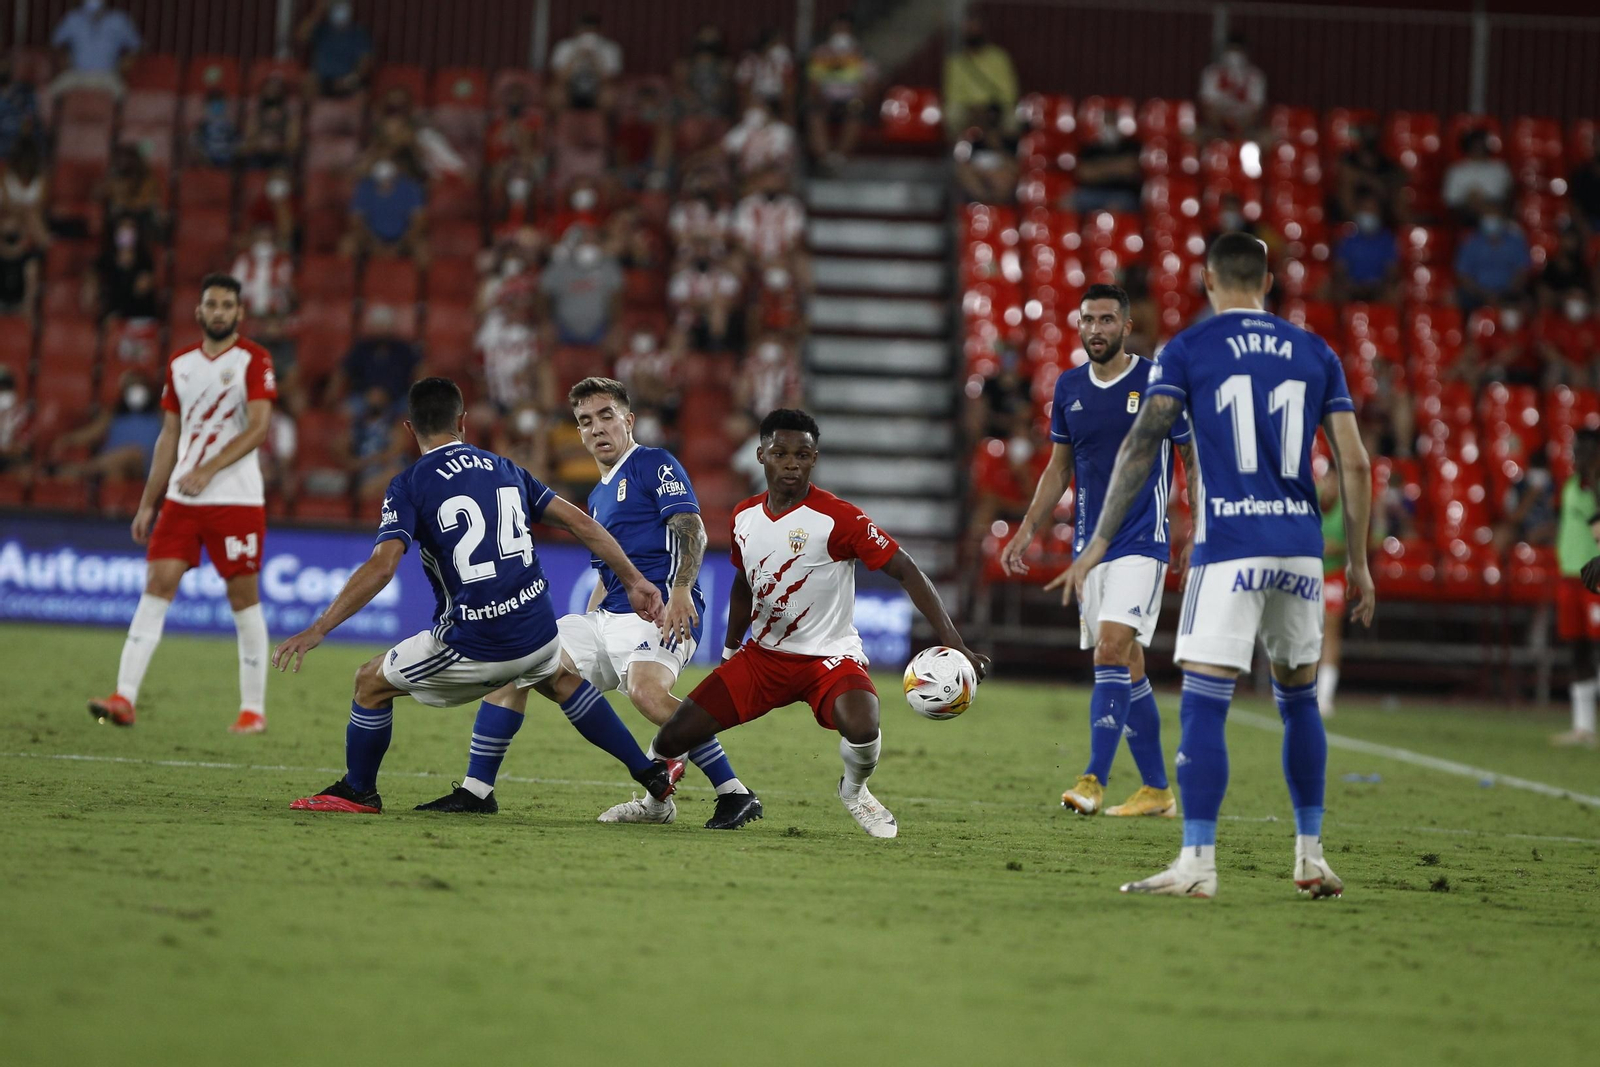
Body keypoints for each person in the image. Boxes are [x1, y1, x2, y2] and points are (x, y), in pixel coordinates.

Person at [1051, 233, 1376, 898]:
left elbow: (1143, 448)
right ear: (1266, 281)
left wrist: (1093, 544)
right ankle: (1310, 854)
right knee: (1298, 698)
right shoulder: (1315, 351)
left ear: (1207, 279)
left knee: (1204, 700)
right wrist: (1362, 562)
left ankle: (1197, 862)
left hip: (1230, 544)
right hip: (1302, 549)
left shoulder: (1190, 348)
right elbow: (1356, 461)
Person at [272, 377, 679, 815]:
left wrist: (318, 628)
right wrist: (636, 581)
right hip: (540, 630)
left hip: (479, 641)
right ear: (462, 422)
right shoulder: (504, 467)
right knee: (557, 679)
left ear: (409, 430)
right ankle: (647, 770)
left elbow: (382, 565)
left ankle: (358, 790)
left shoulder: (410, 484)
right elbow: (582, 524)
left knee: (369, 682)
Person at [644, 408, 990, 838]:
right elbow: (742, 582)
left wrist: (955, 643)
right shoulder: (743, 517)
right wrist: (732, 650)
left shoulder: (838, 518)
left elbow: (906, 569)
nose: (791, 462)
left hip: (829, 658)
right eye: (781, 452)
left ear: (814, 459)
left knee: (863, 725)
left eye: (803, 454)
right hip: (764, 659)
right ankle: (651, 805)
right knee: (673, 735)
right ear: (760, 455)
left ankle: (855, 790)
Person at [1002, 285, 1195, 817]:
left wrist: (1196, 522)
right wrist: (1026, 529)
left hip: (1141, 542)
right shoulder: (1068, 387)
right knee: (1126, 663)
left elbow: (1189, 454)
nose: (1096, 329)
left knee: (1110, 650)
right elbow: (1059, 469)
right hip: (1089, 550)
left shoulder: (1158, 379)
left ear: (1126, 326)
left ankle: (1093, 779)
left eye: (1107, 319)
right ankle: (1157, 789)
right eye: (1088, 319)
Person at [552, 377, 764, 828]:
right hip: (607, 615)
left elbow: (693, 527)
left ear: (628, 420)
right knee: (528, 660)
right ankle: (478, 788)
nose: (596, 428)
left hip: (663, 610)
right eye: (585, 421)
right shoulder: (597, 495)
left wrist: (682, 590)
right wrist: (591, 622)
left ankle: (734, 793)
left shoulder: (653, 463)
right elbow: (606, 573)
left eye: (606, 416)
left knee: (647, 693)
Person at [86, 275, 278, 735]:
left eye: (226, 305)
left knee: (242, 598)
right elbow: (169, 435)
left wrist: (208, 470)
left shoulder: (254, 359)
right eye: (210, 303)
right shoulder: (180, 364)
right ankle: (124, 698)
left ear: (239, 313)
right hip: (181, 497)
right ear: (199, 311)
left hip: (236, 498)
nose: (217, 312)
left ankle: (253, 710)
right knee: (158, 583)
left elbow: (258, 429)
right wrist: (148, 502)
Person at [1554, 430, 1600, 748]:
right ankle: (1583, 726)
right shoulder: (1573, 486)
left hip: (1593, 581)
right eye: (1575, 449)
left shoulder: (1596, 487)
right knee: (1577, 649)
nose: (1576, 455)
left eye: (1584, 449)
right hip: (1569, 577)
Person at [50, 369, 163, 482]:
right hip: (110, 463)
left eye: (140, 385)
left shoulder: (159, 415)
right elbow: (90, 433)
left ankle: (82, 470)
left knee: (132, 454)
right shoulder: (112, 414)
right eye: (131, 386)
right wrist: (67, 439)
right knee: (114, 470)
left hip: (144, 464)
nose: (136, 390)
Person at [805, 14, 876, 170]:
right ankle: (824, 158)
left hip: (852, 101)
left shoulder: (862, 54)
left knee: (856, 112)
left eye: (845, 29)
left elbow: (870, 85)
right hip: (826, 100)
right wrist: (821, 98)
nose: (841, 33)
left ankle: (840, 157)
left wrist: (860, 100)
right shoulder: (820, 54)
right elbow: (813, 84)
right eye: (838, 29)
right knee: (814, 112)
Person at [942, 15, 1018, 138]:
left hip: (994, 107)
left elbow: (1009, 91)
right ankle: (959, 150)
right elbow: (952, 94)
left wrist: (989, 106)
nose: (972, 32)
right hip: (967, 108)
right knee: (952, 114)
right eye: (968, 29)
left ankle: (1004, 151)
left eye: (975, 28)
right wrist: (973, 107)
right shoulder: (956, 62)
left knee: (1013, 119)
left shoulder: (999, 57)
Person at [343, 157, 429, 265]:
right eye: (381, 179)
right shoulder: (364, 188)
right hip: (372, 237)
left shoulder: (410, 188)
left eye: (388, 179)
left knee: (422, 249)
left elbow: (419, 221)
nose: (385, 182)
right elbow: (356, 221)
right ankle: (352, 280)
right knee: (347, 245)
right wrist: (372, 242)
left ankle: (420, 281)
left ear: (395, 176)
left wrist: (401, 243)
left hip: (403, 237)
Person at [49, 0, 141, 99]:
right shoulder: (73, 18)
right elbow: (55, 43)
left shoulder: (119, 20)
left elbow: (136, 46)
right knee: (49, 93)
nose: (93, 16)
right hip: (76, 74)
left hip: (107, 75)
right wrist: (62, 60)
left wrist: (126, 63)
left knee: (124, 98)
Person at [1454, 205, 1532, 314]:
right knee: (1453, 299)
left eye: (1495, 216)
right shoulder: (1470, 243)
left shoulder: (1516, 242)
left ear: (1503, 219)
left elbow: (1522, 271)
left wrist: (1505, 294)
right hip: (1477, 294)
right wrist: (1484, 294)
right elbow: (1463, 275)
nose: (1491, 221)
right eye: (1487, 217)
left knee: (1526, 303)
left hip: (1508, 293)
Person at [297, 0, 373, 99]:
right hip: (322, 80)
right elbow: (301, 37)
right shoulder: (322, 29)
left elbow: (366, 61)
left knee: (363, 94)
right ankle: (307, 114)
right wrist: (318, 11)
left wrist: (350, 80)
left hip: (348, 80)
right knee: (308, 82)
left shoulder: (359, 34)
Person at [1331, 193, 1399, 304]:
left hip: (1378, 288)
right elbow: (1340, 268)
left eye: (1372, 209)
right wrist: (1348, 284)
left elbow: (1392, 270)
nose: (1368, 213)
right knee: (1332, 290)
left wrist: (1381, 285)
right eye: (1365, 209)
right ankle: (1339, 319)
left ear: (1379, 213)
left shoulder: (1387, 240)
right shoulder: (1347, 239)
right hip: (1352, 287)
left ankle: (1388, 320)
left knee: (1394, 293)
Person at [549, 13, 623, 113]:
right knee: (556, 92)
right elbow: (560, 77)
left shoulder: (610, 48)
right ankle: (558, 125)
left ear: (600, 32)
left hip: (597, 88)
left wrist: (594, 59)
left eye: (592, 31)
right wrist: (576, 56)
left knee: (609, 94)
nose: (588, 35)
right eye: (584, 31)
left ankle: (602, 126)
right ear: (577, 31)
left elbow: (608, 80)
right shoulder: (564, 46)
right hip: (571, 87)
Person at [1198, 36, 1265, 142]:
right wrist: (1221, 125)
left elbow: (1256, 110)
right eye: (1231, 50)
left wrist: (1240, 128)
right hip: (1215, 128)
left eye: (1238, 50)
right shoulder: (1211, 73)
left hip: (1246, 129)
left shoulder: (1256, 76)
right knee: (1194, 137)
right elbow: (1207, 106)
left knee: (1267, 139)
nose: (1234, 55)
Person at [1443, 130, 1512, 221]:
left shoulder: (1500, 168)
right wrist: (1471, 198)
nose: (1478, 149)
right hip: (1465, 213)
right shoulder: (1456, 170)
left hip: (1496, 206)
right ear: (1467, 147)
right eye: (1475, 146)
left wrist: (1483, 199)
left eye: (1481, 145)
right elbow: (1450, 199)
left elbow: (1506, 193)